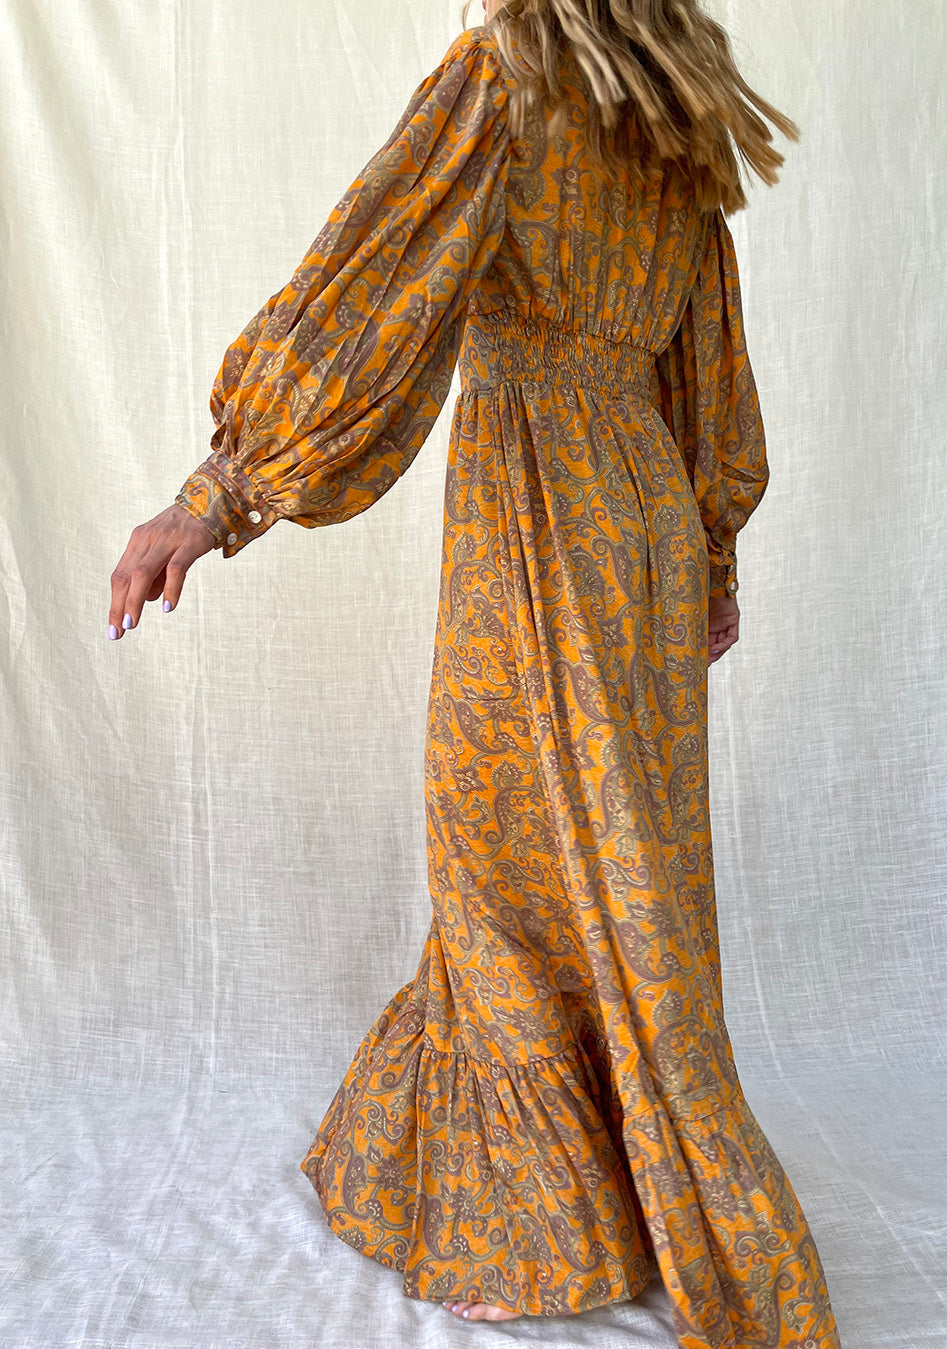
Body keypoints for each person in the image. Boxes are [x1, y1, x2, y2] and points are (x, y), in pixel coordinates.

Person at [107, 0, 841, 1342]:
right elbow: (711, 369)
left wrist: (216, 495)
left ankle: (533, 1223)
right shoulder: (672, 108)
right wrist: (710, 557)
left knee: (501, 861)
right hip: (649, 519)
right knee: (624, 870)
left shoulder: (506, 75)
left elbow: (369, 294)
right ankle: (627, 1189)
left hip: (540, 514)